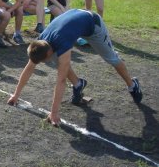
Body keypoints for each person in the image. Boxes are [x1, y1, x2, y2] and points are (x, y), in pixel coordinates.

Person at [7, 9, 142, 126]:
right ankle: (78, 84)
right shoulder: (41, 41)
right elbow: (29, 67)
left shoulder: (62, 42)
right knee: (59, 61)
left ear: (48, 52)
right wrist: (16, 95)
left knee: (111, 58)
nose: (44, 63)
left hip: (93, 24)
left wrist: (54, 113)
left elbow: (61, 80)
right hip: (74, 22)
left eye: (44, 60)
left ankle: (132, 85)